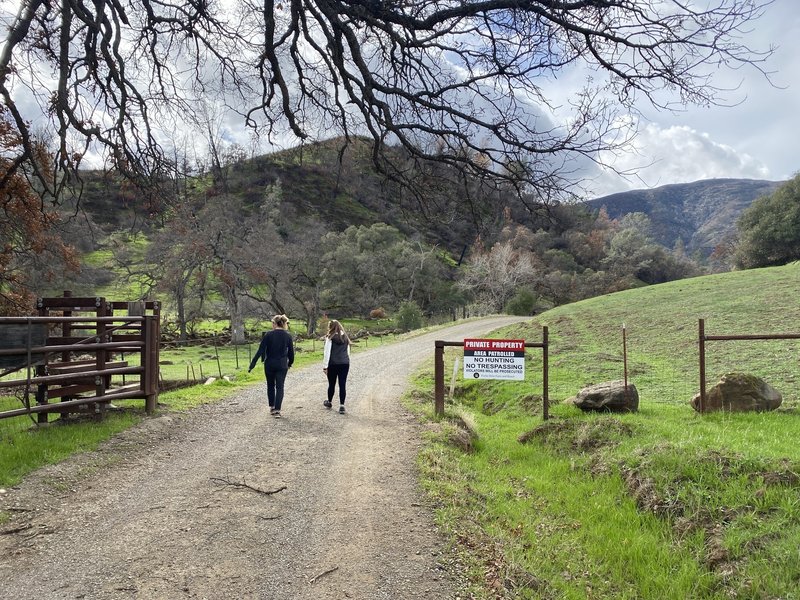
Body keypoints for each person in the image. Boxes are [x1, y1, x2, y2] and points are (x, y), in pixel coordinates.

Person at [248, 314, 294, 418]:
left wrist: (253, 364)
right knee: (280, 386)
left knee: (270, 385)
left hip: (270, 364)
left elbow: (260, 350)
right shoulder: (287, 336)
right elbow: (291, 352)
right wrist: (290, 363)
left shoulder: (268, 335)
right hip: (282, 364)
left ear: (274, 324)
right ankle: (277, 410)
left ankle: (272, 407)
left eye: (272, 323)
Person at [322, 319, 351, 414]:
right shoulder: (345, 337)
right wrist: (347, 360)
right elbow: (348, 351)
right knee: (342, 384)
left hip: (333, 363)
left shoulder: (330, 338)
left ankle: (329, 401)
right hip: (344, 363)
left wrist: (325, 366)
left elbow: (327, 353)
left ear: (330, 327)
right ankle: (342, 405)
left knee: (332, 384)